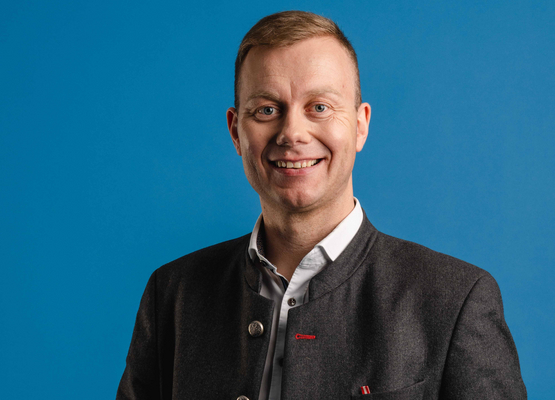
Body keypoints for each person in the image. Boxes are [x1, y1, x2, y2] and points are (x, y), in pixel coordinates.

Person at [117, 11, 526, 400]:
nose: (292, 133)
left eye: (319, 107)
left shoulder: (455, 300)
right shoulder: (173, 294)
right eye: (267, 110)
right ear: (236, 131)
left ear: (361, 124)